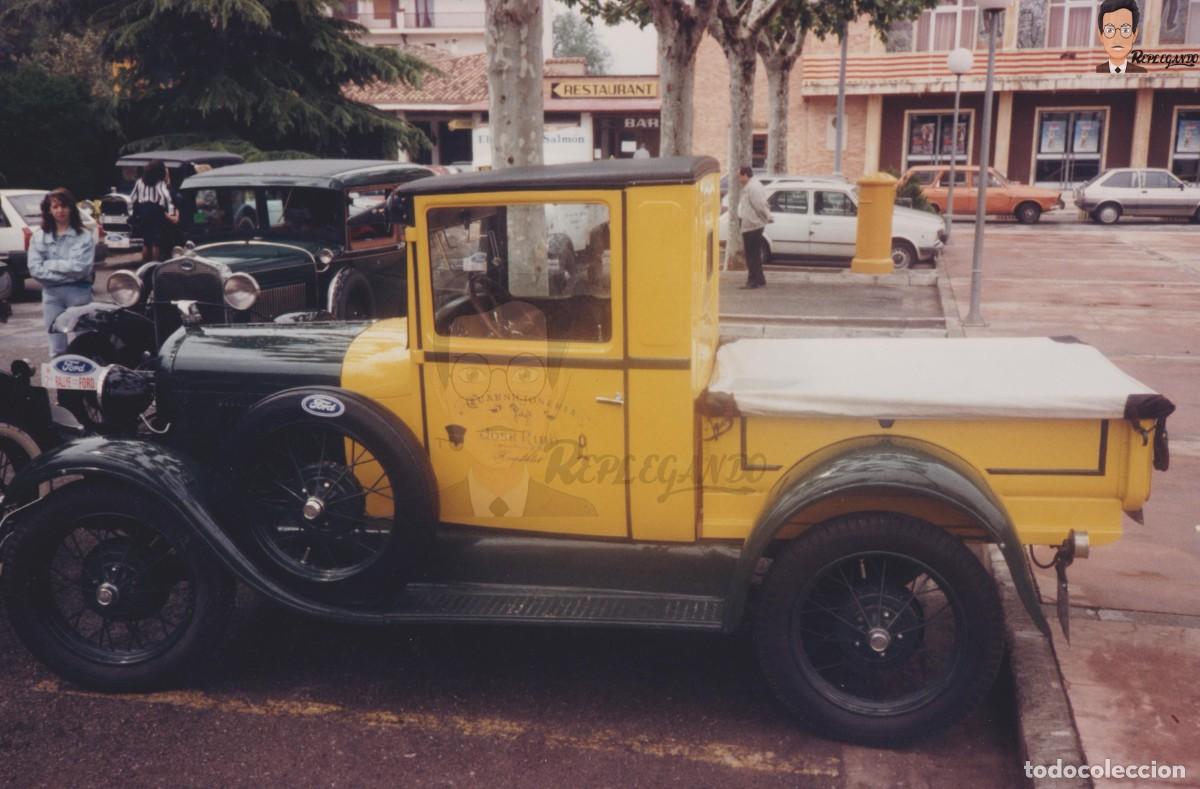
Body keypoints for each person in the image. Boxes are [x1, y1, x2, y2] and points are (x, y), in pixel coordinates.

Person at [26, 188, 95, 355]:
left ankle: (86, 379)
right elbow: (35, 269)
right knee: (56, 347)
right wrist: (65, 273)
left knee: (84, 342)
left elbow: (81, 268)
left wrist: (50, 264)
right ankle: (58, 379)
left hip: (79, 293)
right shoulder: (39, 237)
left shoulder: (84, 236)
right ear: (49, 210)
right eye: (55, 207)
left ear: (71, 208)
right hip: (51, 296)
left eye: (64, 206)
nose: (60, 211)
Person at [130, 159, 179, 262]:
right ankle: (154, 265)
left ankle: (144, 264)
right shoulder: (159, 183)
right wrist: (170, 212)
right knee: (156, 242)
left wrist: (135, 210)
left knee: (146, 241)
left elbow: (133, 197)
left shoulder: (139, 181)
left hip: (143, 211)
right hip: (156, 212)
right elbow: (165, 197)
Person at [737, 165, 771, 289]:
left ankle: (752, 281)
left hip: (752, 224)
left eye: (740, 176)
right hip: (752, 224)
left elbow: (760, 205)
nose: (739, 179)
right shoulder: (751, 186)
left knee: (751, 254)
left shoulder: (753, 187)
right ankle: (760, 279)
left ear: (746, 175)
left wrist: (766, 217)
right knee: (754, 254)